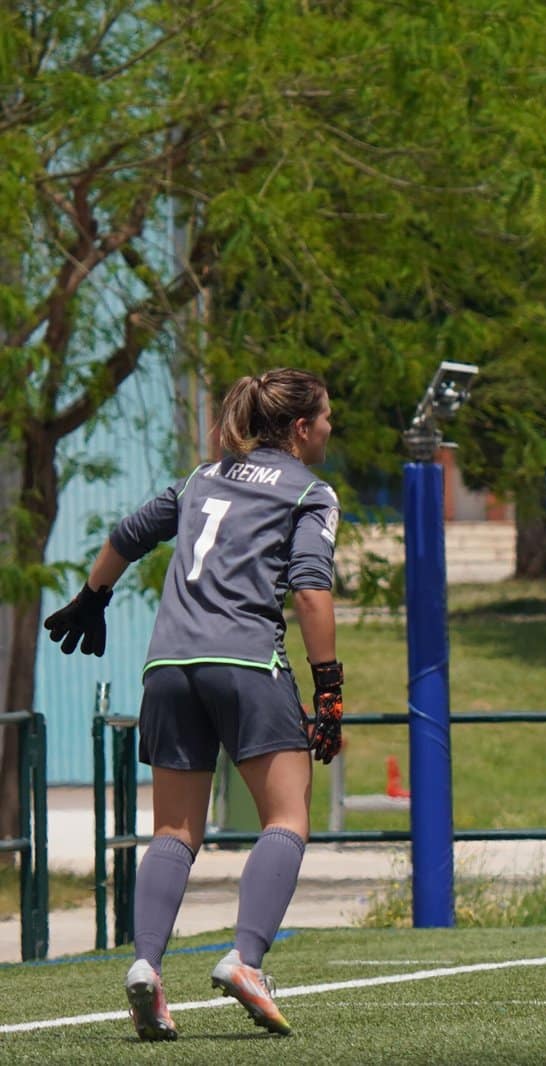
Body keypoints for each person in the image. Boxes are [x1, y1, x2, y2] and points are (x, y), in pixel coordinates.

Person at [43, 369, 343, 1040]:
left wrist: (94, 597)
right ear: (300, 429)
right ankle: (246, 958)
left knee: (174, 831)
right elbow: (310, 592)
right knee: (288, 817)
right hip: (245, 662)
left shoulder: (201, 479)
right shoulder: (312, 493)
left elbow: (128, 532)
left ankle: (146, 966)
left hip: (169, 665)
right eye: (324, 418)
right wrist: (329, 688)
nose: (329, 428)